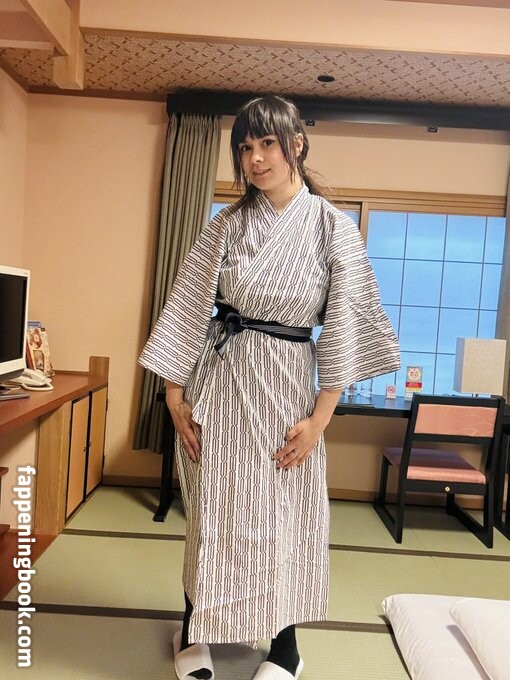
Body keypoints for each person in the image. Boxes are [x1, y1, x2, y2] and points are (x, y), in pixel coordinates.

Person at [139, 95, 400, 680]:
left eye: (267, 144)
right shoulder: (227, 225)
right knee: (214, 511)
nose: (255, 159)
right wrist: (174, 394)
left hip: (287, 390)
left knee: (284, 517)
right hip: (222, 382)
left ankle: (285, 648)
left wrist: (321, 419)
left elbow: (345, 322)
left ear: (295, 145)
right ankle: (194, 628)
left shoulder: (332, 227)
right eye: (245, 148)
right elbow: (188, 305)